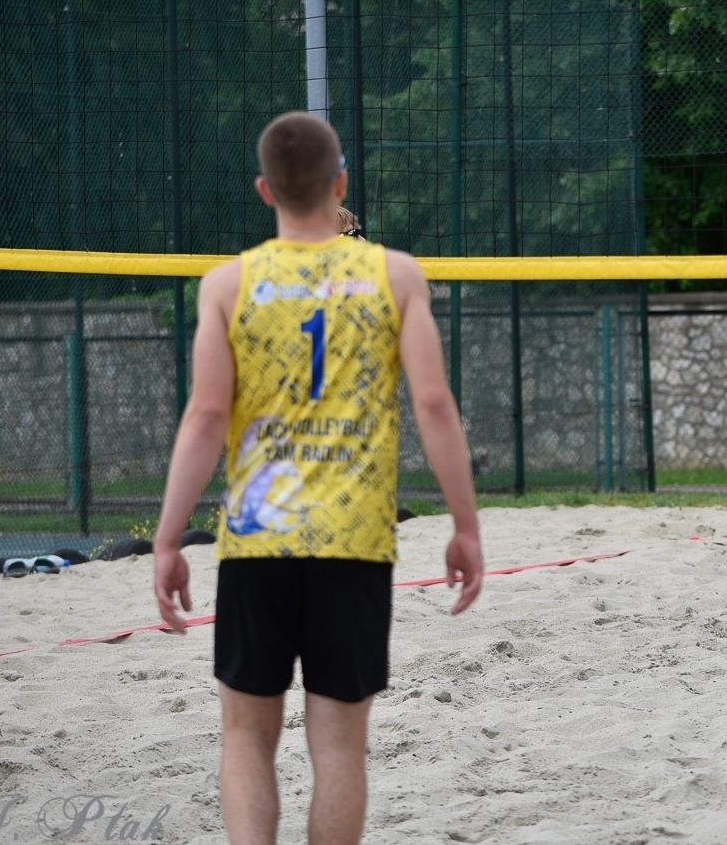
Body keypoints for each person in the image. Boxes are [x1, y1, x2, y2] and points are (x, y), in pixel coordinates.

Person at [153, 111, 483, 845]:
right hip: (354, 540)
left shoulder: (227, 284)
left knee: (244, 737)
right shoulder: (394, 274)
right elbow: (432, 402)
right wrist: (465, 526)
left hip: (255, 541)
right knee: (338, 746)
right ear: (340, 184)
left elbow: (205, 418)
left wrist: (168, 537)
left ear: (264, 189)